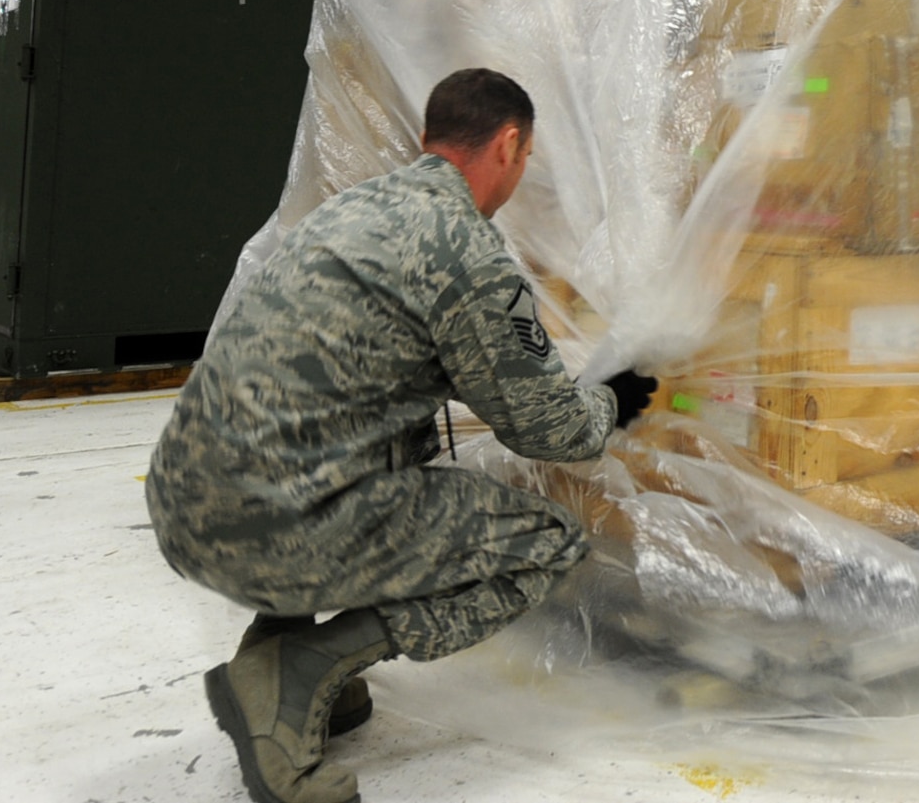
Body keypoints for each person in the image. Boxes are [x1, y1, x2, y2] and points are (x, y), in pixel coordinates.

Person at [147, 68, 656, 803]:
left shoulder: (347, 212)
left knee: (367, 442)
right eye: (526, 156)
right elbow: (552, 430)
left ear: (428, 138)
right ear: (508, 144)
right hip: (269, 533)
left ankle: (283, 645)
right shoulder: (469, 254)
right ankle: (298, 670)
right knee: (543, 544)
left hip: (183, 513)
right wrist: (614, 399)